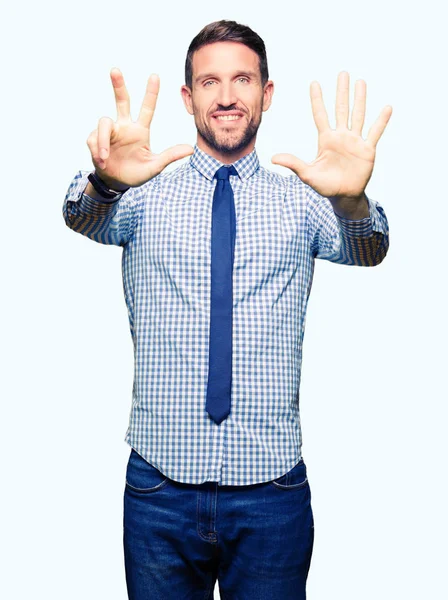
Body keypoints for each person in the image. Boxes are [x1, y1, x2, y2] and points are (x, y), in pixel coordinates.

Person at [62, 19, 392, 600]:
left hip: (271, 494)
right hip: (159, 490)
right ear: (189, 99)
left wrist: (351, 198)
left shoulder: (303, 195)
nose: (227, 95)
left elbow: (370, 250)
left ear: (266, 94)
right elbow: (79, 215)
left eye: (243, 79)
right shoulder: (142, 190)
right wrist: (105, 182)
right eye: (209, 82)